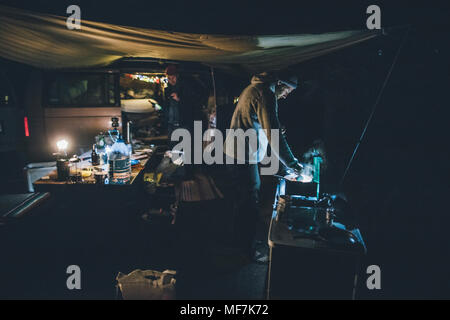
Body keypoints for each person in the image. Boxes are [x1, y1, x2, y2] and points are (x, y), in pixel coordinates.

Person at [224, 72, 303, 259]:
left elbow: (258, 122)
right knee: (249, 203)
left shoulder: (254, 88)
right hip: (241, 155)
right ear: (279, 83)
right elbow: (273, 135)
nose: (286, 96)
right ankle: (246, 251)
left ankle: (237, 243)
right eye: (287, 91)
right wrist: (292, 164)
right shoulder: (265, 94)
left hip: (235, 152)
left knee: (242, 200)